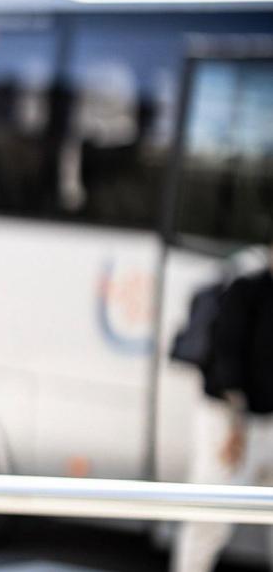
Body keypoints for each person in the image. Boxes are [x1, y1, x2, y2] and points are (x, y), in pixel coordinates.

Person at [172, 239, 273, 572]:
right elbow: (227, 362)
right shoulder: (246, 289)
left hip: (263, 423)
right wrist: (236, 426)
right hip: (228, 420)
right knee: (211, 519)